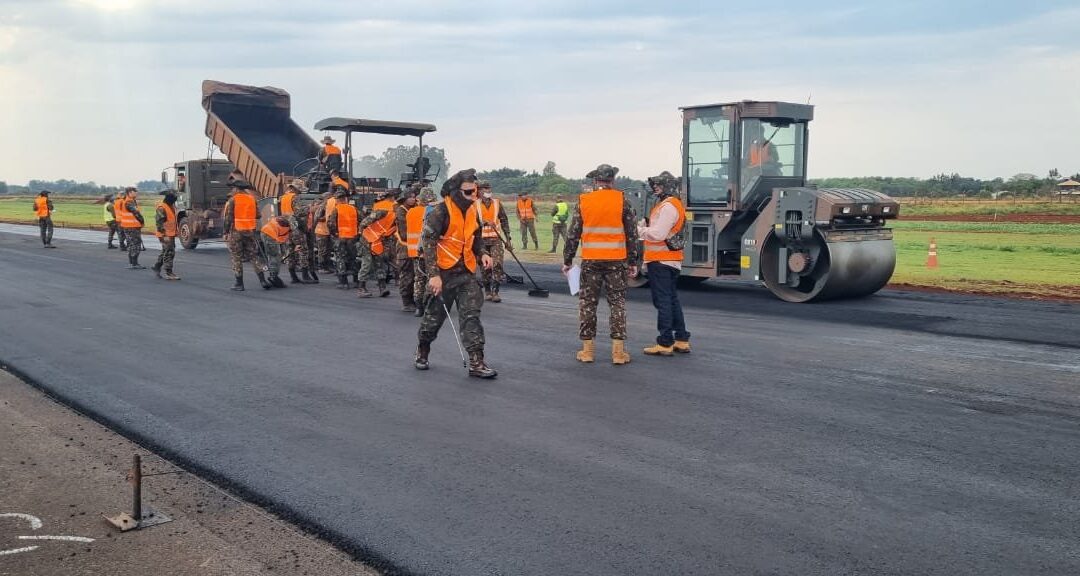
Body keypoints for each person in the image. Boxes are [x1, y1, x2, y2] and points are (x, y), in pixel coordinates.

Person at [414, 169, 497, 379]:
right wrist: (433, 275)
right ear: (455, 191)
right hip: (443, 274)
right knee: (432, 320)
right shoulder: (440, 212)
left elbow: (475, 237)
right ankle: (423, 349)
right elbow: (428, 243)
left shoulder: (472, 211)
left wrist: (483, 253)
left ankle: (476, 362)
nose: (474, 196)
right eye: (469, 192)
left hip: (466, 273)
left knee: (471, 317)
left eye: (475, 191)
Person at [562, 164, 639, 365]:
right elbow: (632, 234)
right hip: (617, 260)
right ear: (612, 180)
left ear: (595, 181)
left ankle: (587, 352)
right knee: (617, 303)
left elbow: (573, 234)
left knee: (588, 303)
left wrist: (567, 260)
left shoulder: (584, 200)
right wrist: (632, 261)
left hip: (591, 260)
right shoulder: (623, 200)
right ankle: (618, 353)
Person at [638, 172, 690, 355]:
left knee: (663, 301)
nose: (655, 188)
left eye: (659, 185)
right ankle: (681, 339)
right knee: (671, 299)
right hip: (670, 260)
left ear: (668, 186)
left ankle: (665, 342)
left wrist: (640, 230)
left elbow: (659, 234)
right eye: (655, 185)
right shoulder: (670, 205)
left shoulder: (668, 206)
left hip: (661, 261)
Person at [222, 179, 270, 291]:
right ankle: (263, 280)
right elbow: (258, 215)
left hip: (236, 231)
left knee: (236, 257)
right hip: (250, 231)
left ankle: (239, 284)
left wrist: (225, 232)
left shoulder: (233, 200)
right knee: (254, 256)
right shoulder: (252, 199)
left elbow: (228, 218)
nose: (232, 190)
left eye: (233, 188)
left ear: (237, 189)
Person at [357, 188, 398, 298]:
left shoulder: (394, 213)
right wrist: (360, 234)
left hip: (378, 240)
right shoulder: (383, 210)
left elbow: (390, 230)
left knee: (379, 264)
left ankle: (382, 288)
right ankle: (361, 288)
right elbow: (365, 222)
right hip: (367, 238)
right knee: (367, 263)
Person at [476, 180, 511, 302]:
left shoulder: (497, 203)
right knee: (484, 267)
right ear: (479, 191)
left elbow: (504, 220)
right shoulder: (475, 205)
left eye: (489, 188)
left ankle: (496, 292)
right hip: (481, 241)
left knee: (497, 264)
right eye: (484, 188)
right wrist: (483, 222)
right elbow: (471, 223)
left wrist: (508, 240)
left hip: (496, 240)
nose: (487, 191)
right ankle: (487, 291)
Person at [411, 186, 440, 317]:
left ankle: (418, 307)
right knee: (432, 277)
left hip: (418, 250)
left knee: (419, 279)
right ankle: (428, 304)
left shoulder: (412, 212)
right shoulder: (437, 211)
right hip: (432, 251)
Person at [394, 186, 421, 312]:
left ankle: (415, 300)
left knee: (416, 275)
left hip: (414, 247)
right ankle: (406, 301)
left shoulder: (413, 210)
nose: (413, 199)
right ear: (404, 198)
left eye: (414, 197)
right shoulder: (401, 211)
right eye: (410, 197)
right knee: (406, 275)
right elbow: (405, 233)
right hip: (405, 248)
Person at [327, 188, 360, 289]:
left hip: (340, 237)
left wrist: (334, 234)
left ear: (337, 199)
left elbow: (331, 224)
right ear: (346, 198)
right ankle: (356, 281)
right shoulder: (353, 209)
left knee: (340, 258)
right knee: (353, 258)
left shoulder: (336, 209)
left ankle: (343, 282)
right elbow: (362, 220)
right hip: (353, 238)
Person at [152, 189, 181, 280]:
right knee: (170, 252)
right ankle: (169, 272)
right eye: (174, 197)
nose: (175, 199)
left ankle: (157, 266)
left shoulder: (171, 206)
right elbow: (159, 223)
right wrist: (164, 236)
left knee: (166, 251)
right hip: (165, 234)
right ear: (169, 197)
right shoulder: (162, 207)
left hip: (170, 233)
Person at [260, 215, 291, 289]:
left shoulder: (286, 221)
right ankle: (273, 276)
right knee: (274, 256)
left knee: (274, 255)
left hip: (267, 232)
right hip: (270, 234)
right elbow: (285, 238)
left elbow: (282, 238)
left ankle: (273, 274)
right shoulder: (292, 225)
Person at [118, 187, 146, 268]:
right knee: (135, 244)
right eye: (135, 192)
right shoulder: (129, 201)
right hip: (132, 226)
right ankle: (134, 263)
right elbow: (136, 213)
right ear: (130, 193)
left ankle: (132, 262)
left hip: (128, 226)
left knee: (131, 244)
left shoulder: (128, 200)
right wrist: (142, 221)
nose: (136, 193)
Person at [312, 193, 334, 273]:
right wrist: (325, 218)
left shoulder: (329, 206)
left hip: (328, 231)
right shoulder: (321, 207)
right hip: (321, 231)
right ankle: (321, 267)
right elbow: (316, 218)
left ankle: (327, 266)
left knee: (328, 250)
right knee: (322, 250)